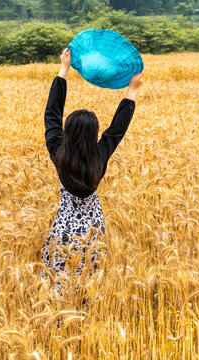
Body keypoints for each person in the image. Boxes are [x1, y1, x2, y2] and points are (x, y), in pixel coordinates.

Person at [41, 48, 144, 297]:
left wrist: (64, 70)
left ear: (68, 132)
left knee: (58, 282)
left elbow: (51, 116)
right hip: (93, 229)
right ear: (93, 135)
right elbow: (116, 130)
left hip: (64, 229)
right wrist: (132, 89)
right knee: (89, 280)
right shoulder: (100, 156)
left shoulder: (58, 152)